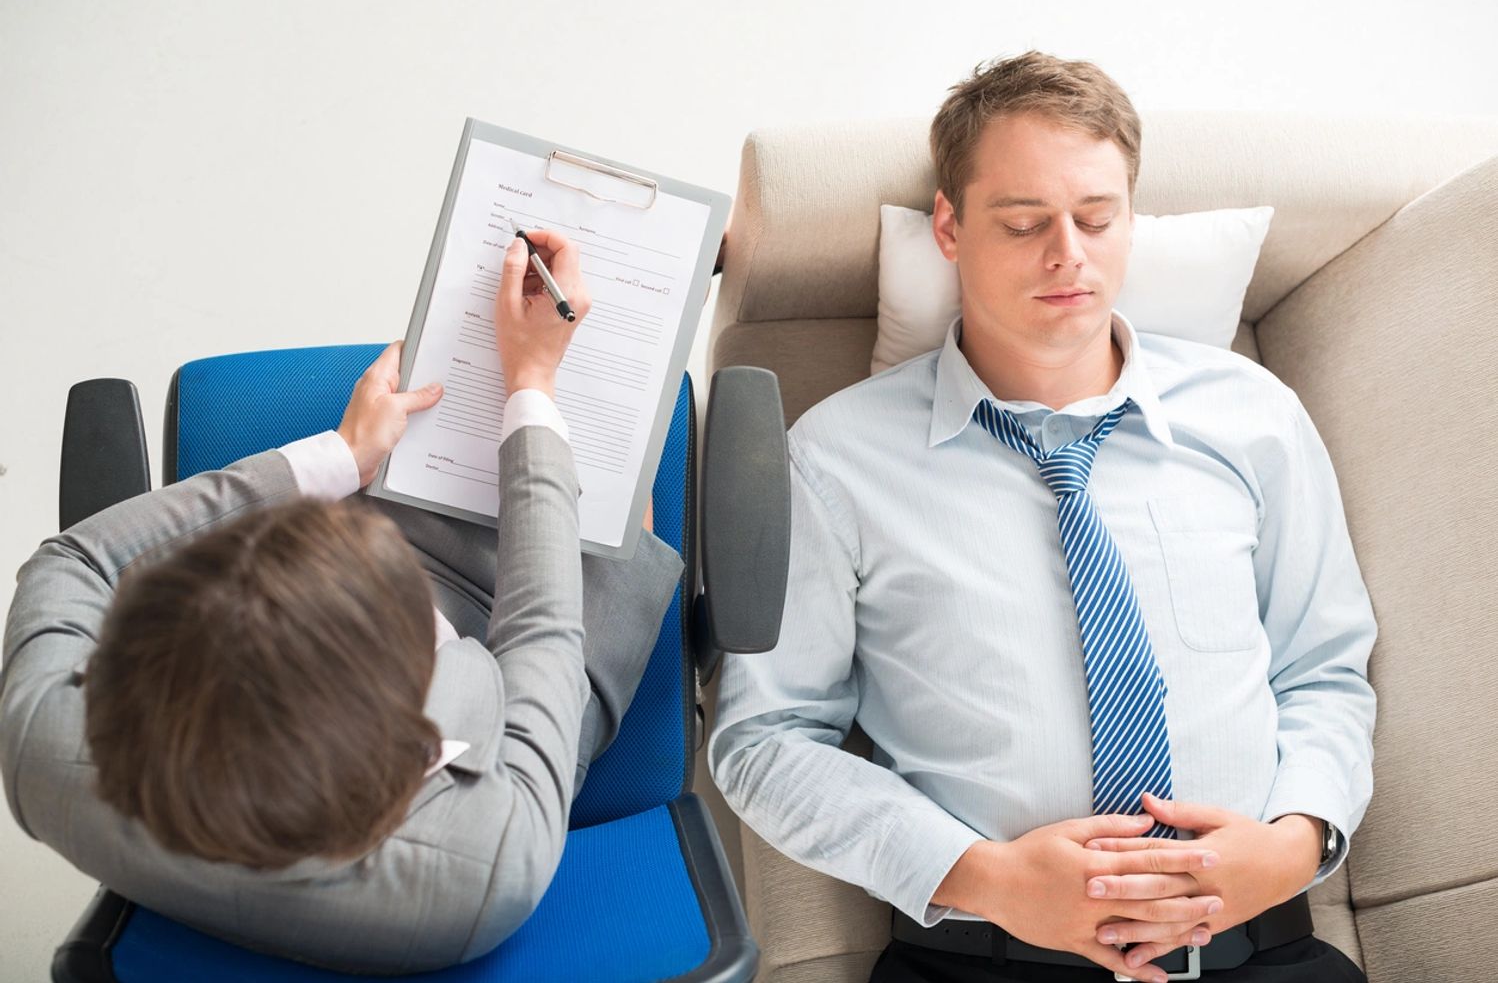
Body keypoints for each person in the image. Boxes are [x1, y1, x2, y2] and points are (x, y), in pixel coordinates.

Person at [710, 52, 1375, 983]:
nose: (1069, 253)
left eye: (1097, 219)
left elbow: (1327, 669)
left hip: (1266, 954)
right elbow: (764, 740)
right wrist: (988, 878)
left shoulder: (1253, 415)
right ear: (948, 226)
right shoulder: (832, 460)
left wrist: (1297, 842)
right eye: (1024, 223)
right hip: (982, 960)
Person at [1, 230, 684, 973]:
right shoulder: (482, 868)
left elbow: (73, 559)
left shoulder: (50, 750)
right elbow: (546, 640)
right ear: (413, 746)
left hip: (330, 678)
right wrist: (533, 397)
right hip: (507, 677)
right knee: (626, 515)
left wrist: (341, 456)